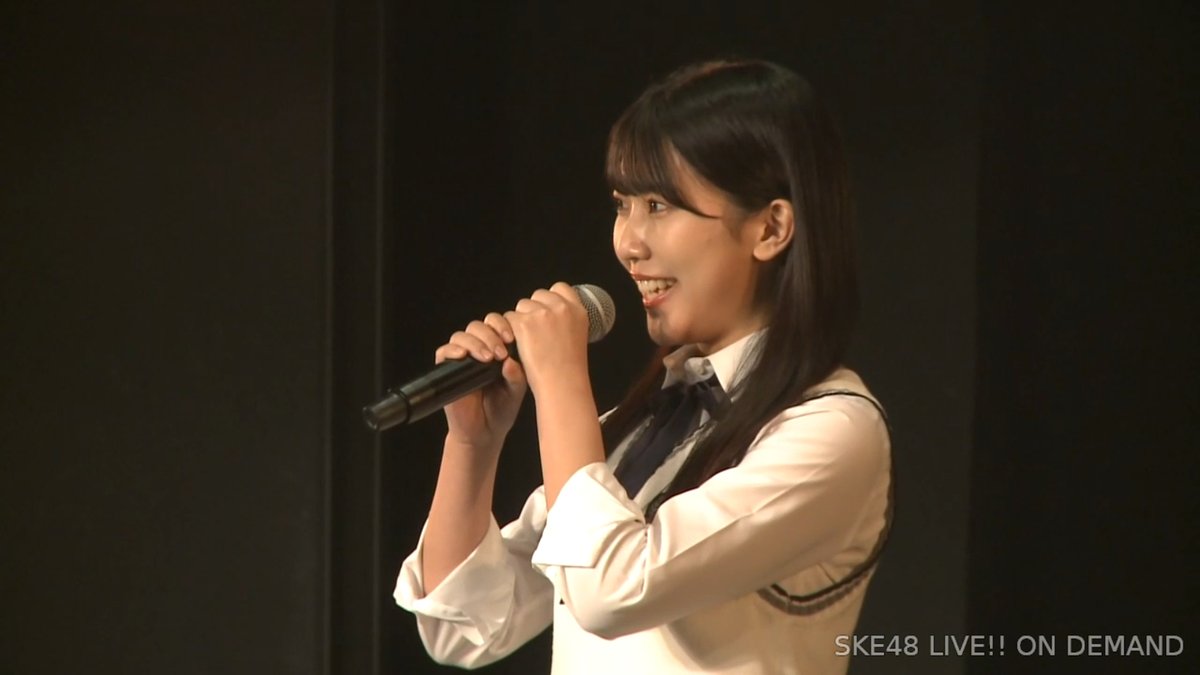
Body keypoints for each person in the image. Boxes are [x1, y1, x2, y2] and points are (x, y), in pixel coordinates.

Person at [394, 58, 893, 674]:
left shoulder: (831, 430)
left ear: (770, 228)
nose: (627, 243)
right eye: (622, 204)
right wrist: (473, 445)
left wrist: (560, 383)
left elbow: (612, 591)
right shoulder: (647, 422)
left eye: (658, 205)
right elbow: (467, 628)